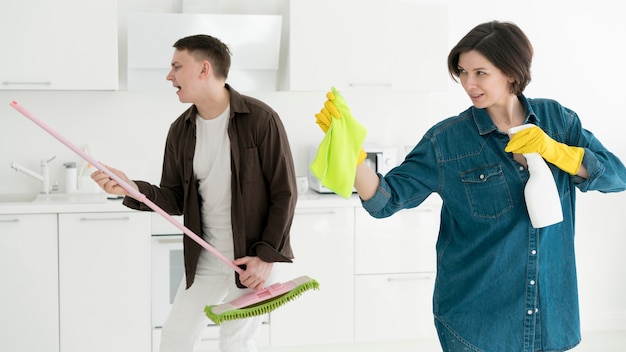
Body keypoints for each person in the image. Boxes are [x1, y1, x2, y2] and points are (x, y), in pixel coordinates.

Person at [315, 21, 626, 352]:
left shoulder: (558, 121)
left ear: (511, 72)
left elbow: (616, 177)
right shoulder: (447, 140)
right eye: (463, 72)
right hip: (477, 323)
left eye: (480, 73)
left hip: (550, 314)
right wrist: (352, 155)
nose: (468, 83)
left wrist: (557, 151)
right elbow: (384, 201)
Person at [92, 34, 297, 352]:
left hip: (252, 257)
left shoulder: (260, 119)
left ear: (204, 69)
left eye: (176, 66)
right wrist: (131, 188)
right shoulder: (181, 130)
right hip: (206, 254)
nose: (169, 76)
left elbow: (284, 192)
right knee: (176, 334)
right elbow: (173, 197)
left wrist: (266, 257)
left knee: (236, 339)